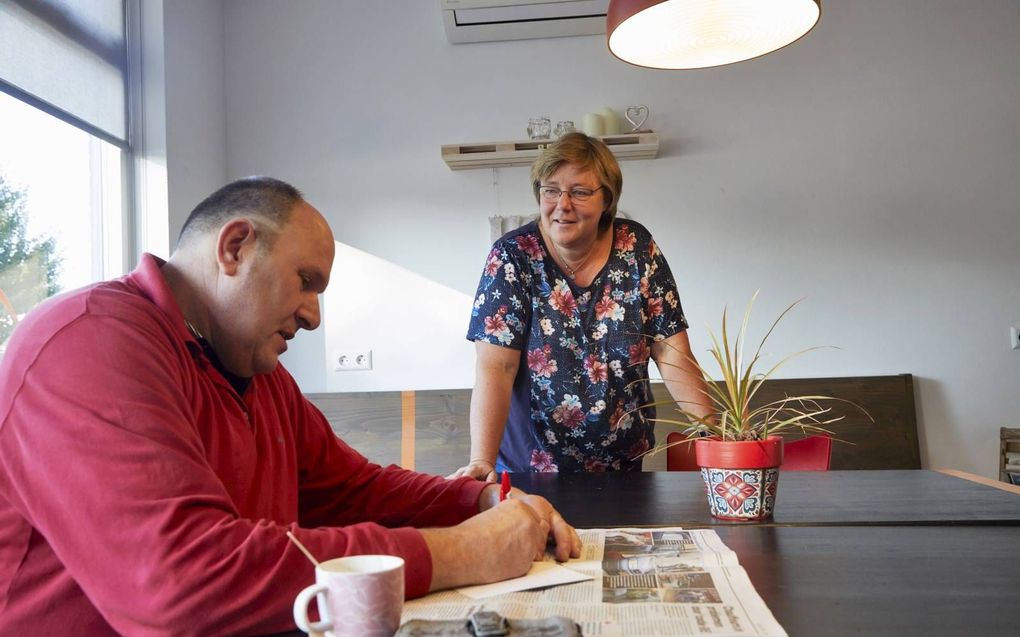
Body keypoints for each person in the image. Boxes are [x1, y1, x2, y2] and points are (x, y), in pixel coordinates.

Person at [0, 177, 581, 636]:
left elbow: (355, 490)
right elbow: (179, 584)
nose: (313, 315)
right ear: (234, 247)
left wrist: (478, 498)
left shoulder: (258, 373)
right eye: (305, 282)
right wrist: (463, 551)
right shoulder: (88, 339)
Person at [451, 132, 712, 478]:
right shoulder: (513, 256)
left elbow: (671, 353)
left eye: (580, 192)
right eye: (551, 190)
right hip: (531, 472)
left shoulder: (635, 247)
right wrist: (481, 461)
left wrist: (716, 431)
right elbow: (496, 368)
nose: (563, 204)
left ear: (607, 198)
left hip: (625, 469)